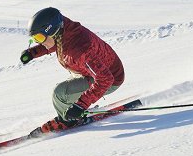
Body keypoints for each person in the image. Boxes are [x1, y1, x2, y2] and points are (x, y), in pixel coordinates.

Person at [20, 7, 125, 135]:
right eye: (35, 39)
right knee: (65, 91)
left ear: (52, 30)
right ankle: (70, 112)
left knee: (60, 93)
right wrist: (33, 52)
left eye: (39, 38)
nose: (38, 41)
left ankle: (68, 121)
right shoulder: (64, 29)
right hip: (93, 71)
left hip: (111, 79)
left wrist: (81, 105)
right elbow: (57, 44)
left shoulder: (80, 49)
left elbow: (106, 79)